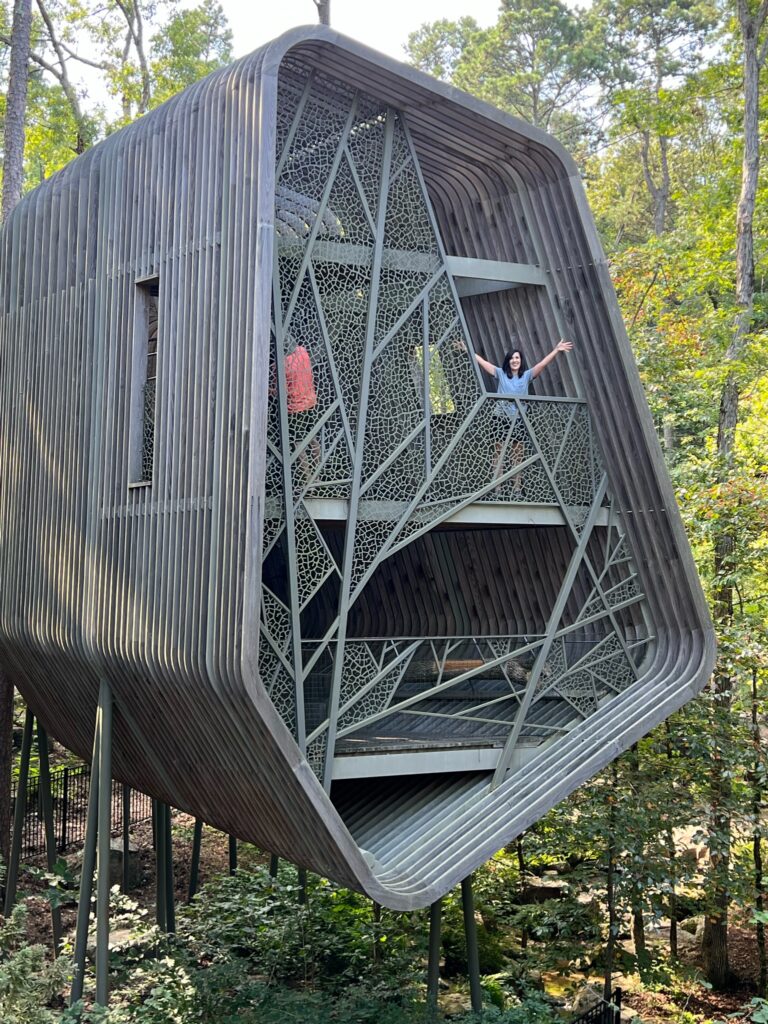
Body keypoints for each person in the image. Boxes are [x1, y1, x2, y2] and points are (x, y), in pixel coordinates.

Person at [458, 338, 574, 489]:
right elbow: (482, 362)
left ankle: (517, 488)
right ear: (508, 361)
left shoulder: (526, 376)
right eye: (512, 358)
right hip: (500, 417)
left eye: (517, 358)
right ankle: (497, 487)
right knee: (498, 453)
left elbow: (542, 364)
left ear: (521, 361)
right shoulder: (500, 373)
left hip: (518, 419)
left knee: (517, 454)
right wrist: (467, 350)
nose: (515, 360)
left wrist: (556, 350)